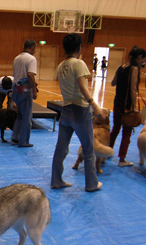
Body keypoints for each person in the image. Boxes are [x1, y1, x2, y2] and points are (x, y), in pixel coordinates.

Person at [51, 33, 107, 192]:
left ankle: (56, 180)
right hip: (80, 112)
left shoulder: (61, 66)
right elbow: (83, 87)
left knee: (60, 149)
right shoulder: (79, 64)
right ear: (80, 47)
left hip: (66, 111)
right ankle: (91, 184)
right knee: (89, 150)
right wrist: (94, 105)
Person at [109, 46, 146, 167]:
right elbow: (132, 89)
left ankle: (107, 152)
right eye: (143, 59)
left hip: (117, 103)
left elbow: (113, 83)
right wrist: (135, 107)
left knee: (115, 129)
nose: (143, 62)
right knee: (127, 133)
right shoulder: (134, 69)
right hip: (127, 106)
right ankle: (122, 159)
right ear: (139, 57)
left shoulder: (121, 67)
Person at [11, 39, 38, 147]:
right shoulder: (31, 59)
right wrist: (34, 90)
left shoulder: (17, 58)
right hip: (24, 90)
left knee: (20, 115)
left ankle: (15, 137)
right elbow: (30, 75)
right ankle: (24, 141)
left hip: (16, 89)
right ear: (32, 48)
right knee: (27, 117)